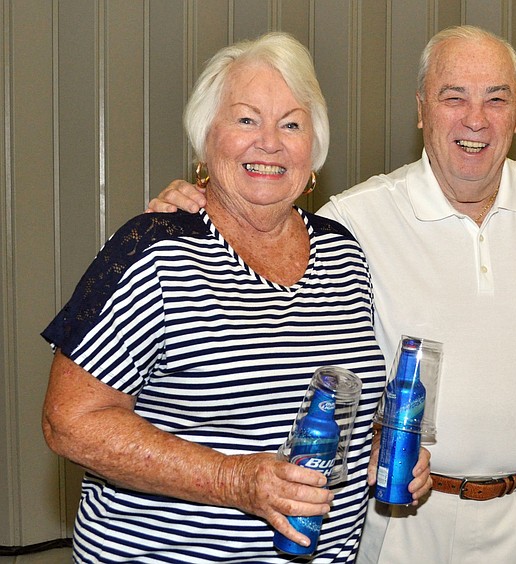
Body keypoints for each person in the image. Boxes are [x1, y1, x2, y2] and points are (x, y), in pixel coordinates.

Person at [148, 26, 516, 564]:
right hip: (402, 520)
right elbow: (267, 229)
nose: (475, 118)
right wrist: (202, 202)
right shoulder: (354, 218)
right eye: (453, 97)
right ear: (421, 110)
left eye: (496, 99)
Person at [41, 32, 429, 563]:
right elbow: (72, 422)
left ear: (313, 151)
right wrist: (236, 482)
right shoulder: (153, 252)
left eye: (291, 124)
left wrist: (381, 454)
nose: (269, 142)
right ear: (206, 139)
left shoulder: (343, 254)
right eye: (247, 119)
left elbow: (337, 409)